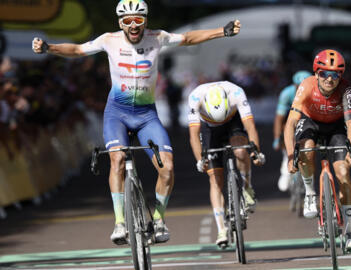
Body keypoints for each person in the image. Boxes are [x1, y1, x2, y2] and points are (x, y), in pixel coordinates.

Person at [32, 0, 242, 245]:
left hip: (146, 115)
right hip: (117, 113)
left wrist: (221, 31)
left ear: (145, 21)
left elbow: (188, 38)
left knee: (168, 168)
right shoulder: (109, 40)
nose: (134, 26)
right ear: (121, 23)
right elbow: (78, 51)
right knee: (118, 159)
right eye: (128, 21)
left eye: (139, 20)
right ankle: (120, 222)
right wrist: (49, 47)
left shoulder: (157, 37)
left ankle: (159, 219)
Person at [284, 49, 351, 253]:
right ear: (317, 73)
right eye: (325, 73)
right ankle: (309, 193)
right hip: (310, 124)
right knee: (307, 150)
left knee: (344, 174)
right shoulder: (306, 85)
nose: (330, 79)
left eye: (335, 74)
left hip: (335, 128)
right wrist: (291, 155)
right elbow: (290, 123)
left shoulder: (345, 89)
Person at [187, 81, 265, 247]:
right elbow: (194, 135)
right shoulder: (195, 97)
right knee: (215, 179)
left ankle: (247, 187)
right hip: (209, 129)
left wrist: (255, 152)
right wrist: (199, 160)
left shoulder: (236, 93)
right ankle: (221, 229)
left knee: (241, 151)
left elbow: (250, 127)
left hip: (233, 122)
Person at [273, 70, 311, 192]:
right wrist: (277, 138)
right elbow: (279, 118)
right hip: (290, 116)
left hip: (307, 116)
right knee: (286, 130)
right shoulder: (286, 94)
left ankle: (309, 178)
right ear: (294, 86)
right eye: (298, 87)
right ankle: (286, 164)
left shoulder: (313, 93)